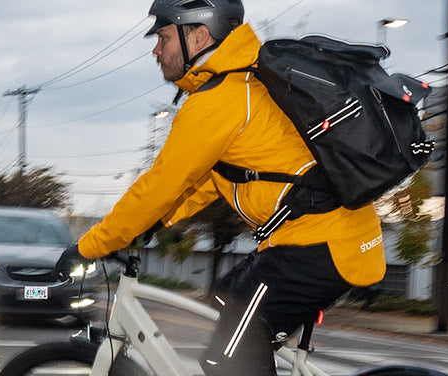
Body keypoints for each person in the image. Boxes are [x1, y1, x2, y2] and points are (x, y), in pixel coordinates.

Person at [54, 0, 387, 374]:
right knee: (226, 297)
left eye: (163, 37)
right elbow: (212, 182)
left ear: (198, 36)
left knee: (227, 361)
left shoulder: (221, 99)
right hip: (318, 244)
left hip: (317, 251)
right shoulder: (241, 84)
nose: (156, 50)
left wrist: (93, 245)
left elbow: (160, 185)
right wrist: (156, 224)